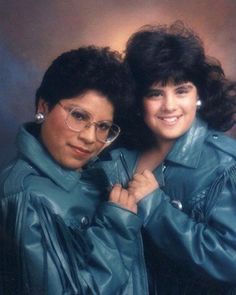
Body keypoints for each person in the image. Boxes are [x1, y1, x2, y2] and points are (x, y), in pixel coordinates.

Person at [101, 22, 236, 294]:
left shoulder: (226, 166)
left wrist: (157, 208)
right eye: (155, 94)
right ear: (138, 100)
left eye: (182, 90)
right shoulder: (117, 154)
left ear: (199, 95)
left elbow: (230, 261)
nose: (170, 106)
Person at [0, 46, 143, 295]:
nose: (90, 137)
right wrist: (118, 228)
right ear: (43, 107)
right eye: (78, 116)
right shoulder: (26, 195)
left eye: (103, 126)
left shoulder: (96, 174)